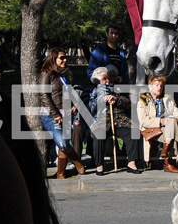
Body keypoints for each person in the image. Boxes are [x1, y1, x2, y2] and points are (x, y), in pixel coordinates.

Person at [38, 48, 85, 179]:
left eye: (66, 58)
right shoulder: (46, 74)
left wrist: (75, 103)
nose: (65, 60)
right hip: (50, 115)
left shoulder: (66, 73)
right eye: (61, 58)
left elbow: (69, 90)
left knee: (64, 142)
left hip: (66, 113)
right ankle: (76, 160)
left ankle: (61, 173)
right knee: (63, 143)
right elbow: (43, 95)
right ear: (53, 59)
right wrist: (55, 114)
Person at [89, 67, 142, 175]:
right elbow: (90, 107)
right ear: (97, 80)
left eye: (108, 78)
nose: (108, 81)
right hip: (102, 121)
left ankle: (131, 163)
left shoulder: (118, 89)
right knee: (99, 135)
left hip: (119, 119)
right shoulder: (93, 91)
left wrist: (117, 100)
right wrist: (102, 100)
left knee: (133, 132)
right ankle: (99, 165)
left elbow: (127, 103)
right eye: (104, 79)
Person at [137, 75, 178, 173]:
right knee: (173, 131)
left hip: (167, 128)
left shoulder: (168, 98)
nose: (159, 88)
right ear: (150, 86)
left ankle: (166, 148)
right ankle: (168, 163)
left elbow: (177, 115)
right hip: (151, 130)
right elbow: (143, 120)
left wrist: (169, 120)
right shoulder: (143, 100)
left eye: (161, 85)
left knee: (172, 121)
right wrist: (161, 121)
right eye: (156, 85)